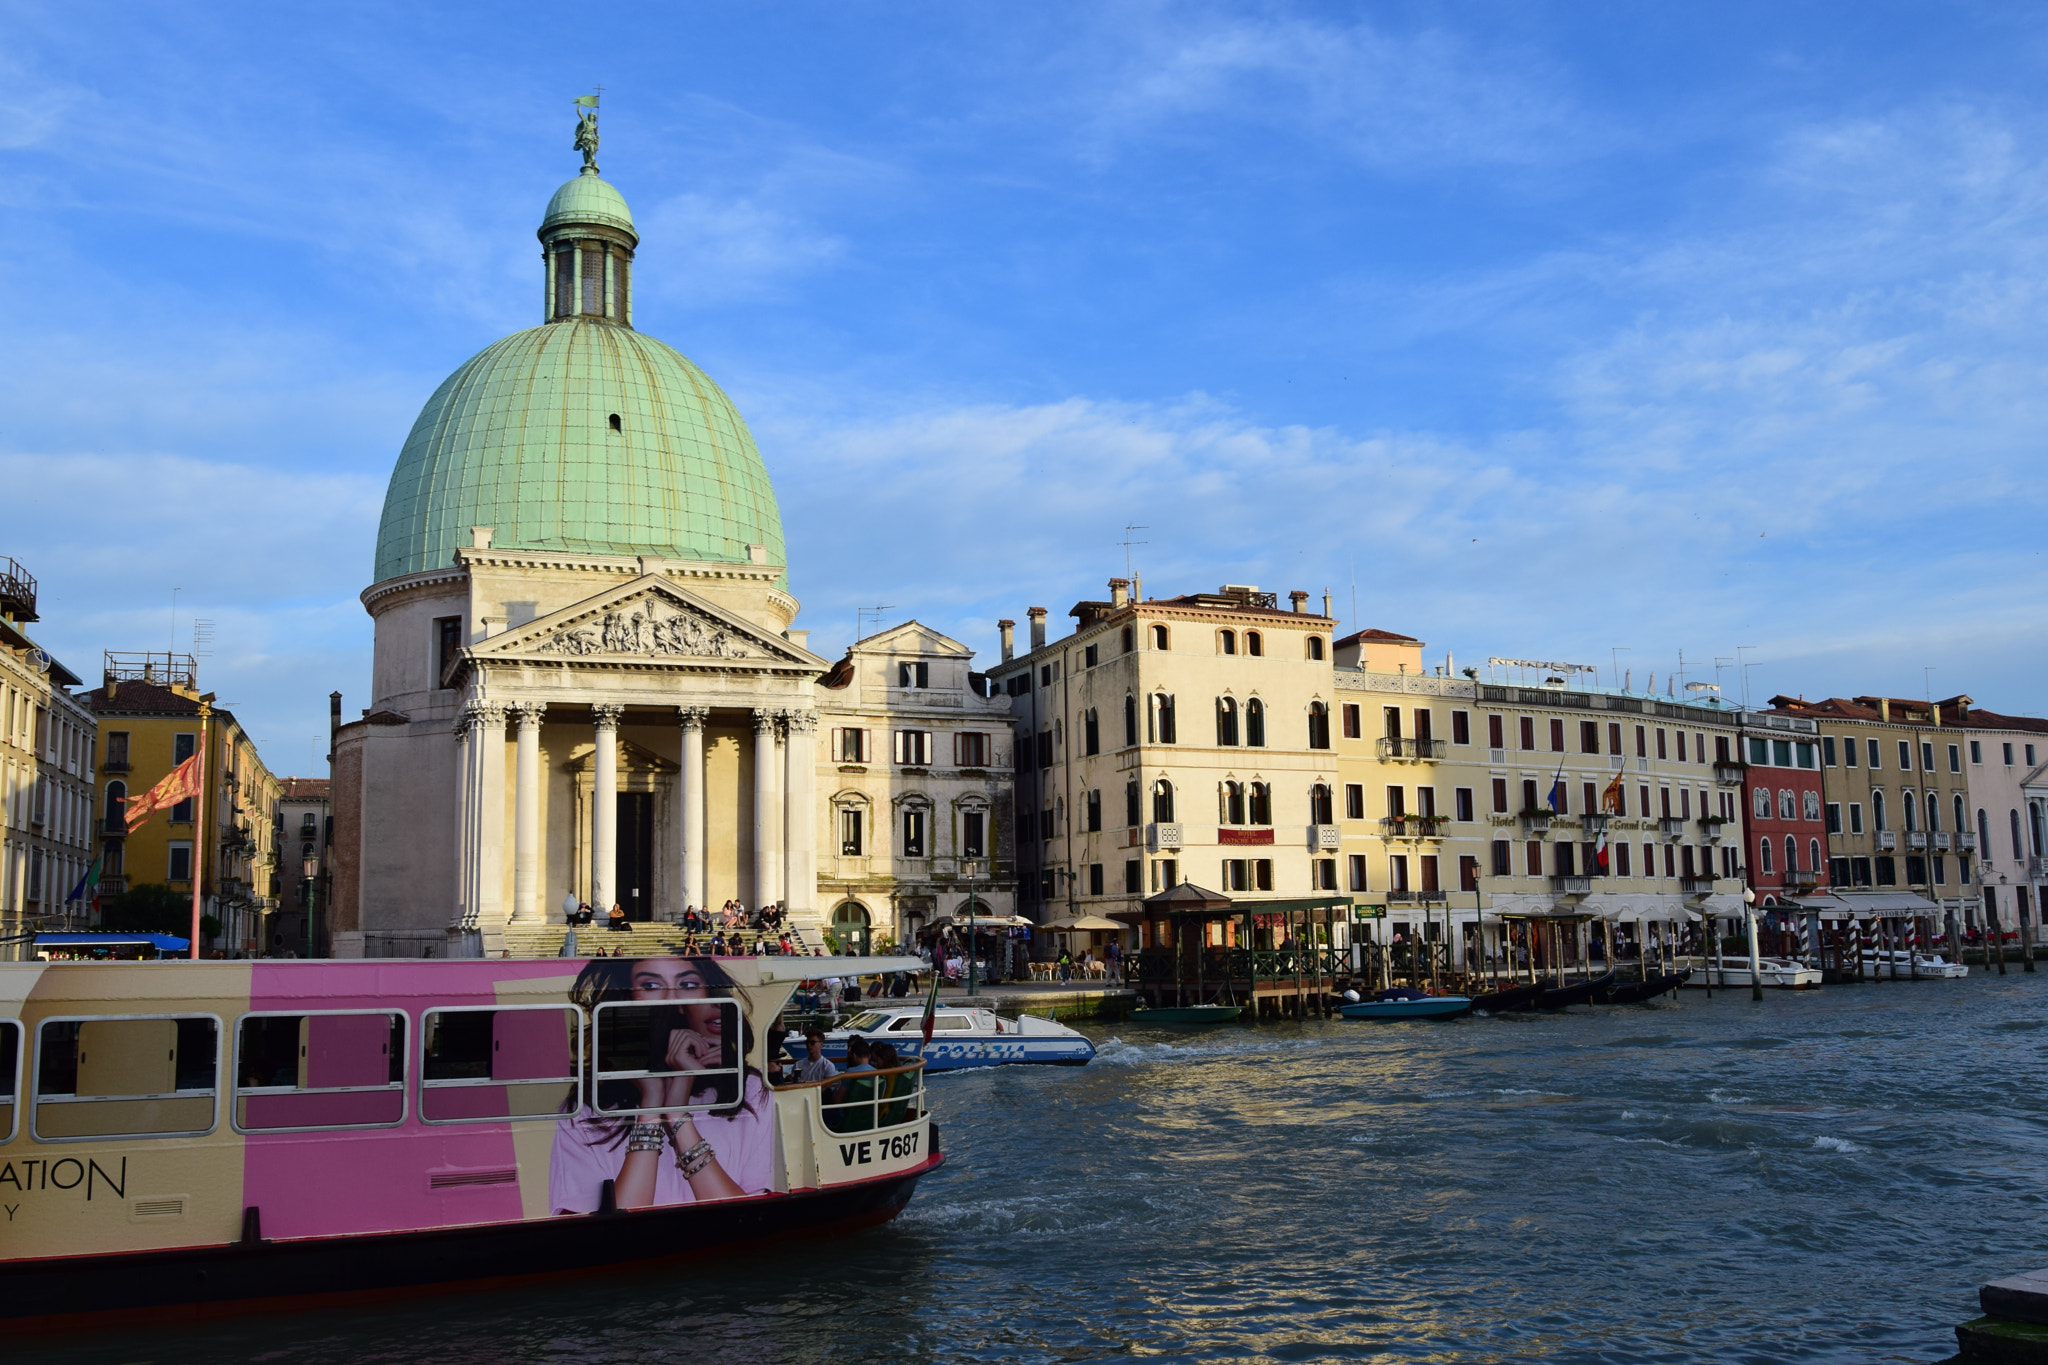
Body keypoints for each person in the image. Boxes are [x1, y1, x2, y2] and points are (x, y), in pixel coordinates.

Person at [548, 956, 772, 1213]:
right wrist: (651, 1106)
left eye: (687, 985)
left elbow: (743, 1219)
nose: (672, 1001)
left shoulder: (750, 1089)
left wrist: (677, 1115)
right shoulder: (586, 1109)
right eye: (651, 986)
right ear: (626, 1000)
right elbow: (611, 1236)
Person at [827, 1035, 877, 1133]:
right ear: (869, 1056)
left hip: (846, 1119)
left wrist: (836, 1089)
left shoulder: (850, 1073)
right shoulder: (877, 1073)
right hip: (869, 1118)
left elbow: (837, 1101)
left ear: (853, 1056)